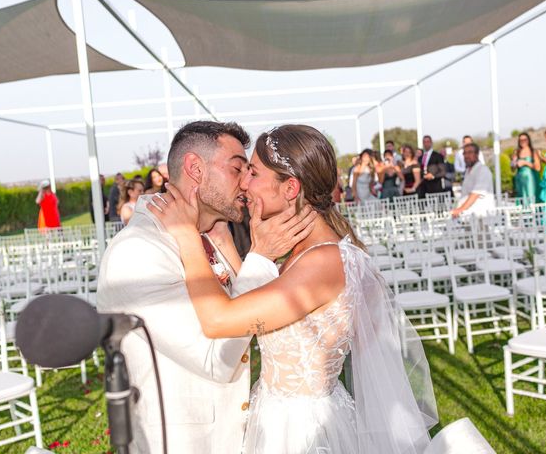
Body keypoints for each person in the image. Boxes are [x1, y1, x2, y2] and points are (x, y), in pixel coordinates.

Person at [150, 124, 437, 454]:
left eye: (253, 172)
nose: (243, 182)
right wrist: (230, 244)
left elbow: (219, 321)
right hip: (279, 417)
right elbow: (270, 310)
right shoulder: (307, 252)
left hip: (302, 431)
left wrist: (187, 236)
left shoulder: (323, 262)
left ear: (290, 188)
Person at [97, 121, 316, 454]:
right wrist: (259, 257)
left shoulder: (208, 237)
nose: (246, 182)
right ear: (195, 169)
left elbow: (255, 323)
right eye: (236, 169)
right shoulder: (138, 251)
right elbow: (217, 358)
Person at [451, 143, 495, 218]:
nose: (466, 156)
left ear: (477, 154)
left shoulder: (483, 170)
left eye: (470, 152)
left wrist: (460, 209)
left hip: (481, 217)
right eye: (464, 153)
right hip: (468, 217)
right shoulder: (468, 171)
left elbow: (475, 194)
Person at [511, 132, 540, 203]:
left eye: (525, 140)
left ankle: (532, 213)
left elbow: (538, 168)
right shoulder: (516, 152)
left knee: (530, 197)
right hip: (519, 179)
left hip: (530, 178)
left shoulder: (533, 151)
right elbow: (512, 169)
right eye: (521, 140)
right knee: (521, 198)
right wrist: (513, 163)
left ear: (528, 140)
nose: (523, 142)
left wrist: (525, 163)